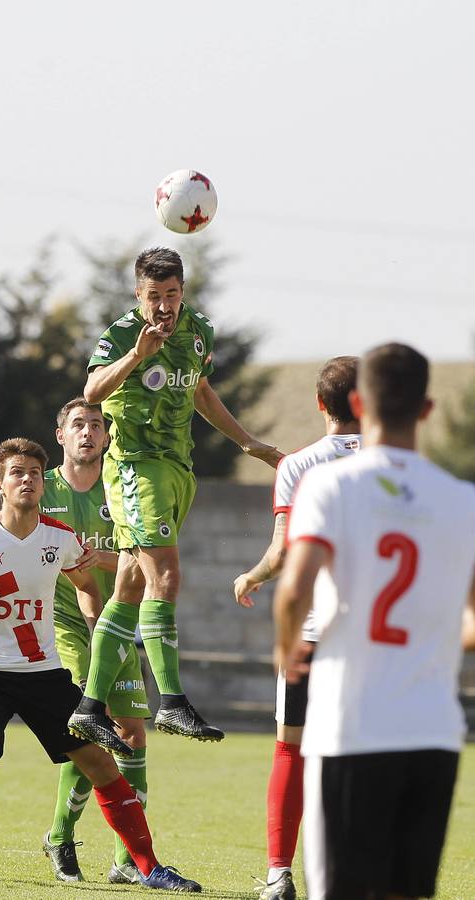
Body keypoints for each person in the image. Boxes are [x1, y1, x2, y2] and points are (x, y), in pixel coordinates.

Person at [0, 437, 201, 892]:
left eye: (32, 473)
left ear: (41, 484)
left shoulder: (59, 537)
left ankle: (149, 868)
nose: (26, 480)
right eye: (16, 474)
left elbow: (86, 582)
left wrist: (93, 623)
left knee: (102, 765)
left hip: (44, 672)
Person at [275, 343, 475, 900]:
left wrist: (287, 648)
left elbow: (294, 588)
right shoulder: (464, 501)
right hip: (433, 731)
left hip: (352, 727)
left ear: (360, 403)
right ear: (428, 409)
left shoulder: (329, 485)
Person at [68, 246, 284, 755]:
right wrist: (138, 356)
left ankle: (88, 708)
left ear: (183, 291)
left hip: (178, 470)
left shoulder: (199, 330)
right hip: (134, 469)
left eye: (172, 295)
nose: (164, 307)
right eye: (153, 297)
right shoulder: (123, 334)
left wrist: (247, 441)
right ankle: (172, 700)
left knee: (128, 585)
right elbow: (92, 391)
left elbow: (201, 391)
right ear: (137, 295)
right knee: (165, 574)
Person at [234, 357, 360, 900]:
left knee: (291, 749)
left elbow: (285, 551)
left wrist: (252, 574)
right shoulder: (395, 464)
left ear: (319, 404)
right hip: (372, 638)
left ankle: (279, 874)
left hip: (311, 632)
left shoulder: (299, 465)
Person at [42, 397, 149, 885]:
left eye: (97, 425)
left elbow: (148, 559)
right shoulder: (39, 489)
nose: (88, 432)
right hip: (62, 623)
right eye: (78, 425)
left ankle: (127, 862)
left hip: (119, 619)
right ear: (60, 435)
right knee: (92, 726)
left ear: (107, 437)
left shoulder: (126, 488)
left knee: (132, 736)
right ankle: (61, 838)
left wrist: (93, 559)